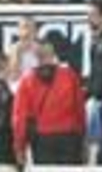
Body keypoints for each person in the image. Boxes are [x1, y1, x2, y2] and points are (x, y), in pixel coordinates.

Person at [11, 37, 86, 165]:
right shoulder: (69, 76)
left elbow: (20, 118)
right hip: (69, 138)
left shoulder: (27, 81)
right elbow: (80, 110)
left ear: (35, 56)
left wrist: (20, 146)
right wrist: (82, 137)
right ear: (53, 55)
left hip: (42, 141)